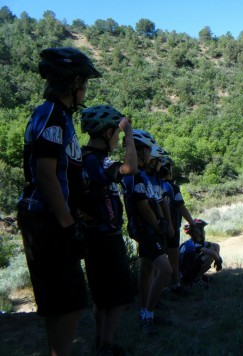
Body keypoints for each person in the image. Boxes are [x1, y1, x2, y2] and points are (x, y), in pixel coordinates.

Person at [16, 47, 101, 356]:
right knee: (71, 303)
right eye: (85, 83)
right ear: (73, 82)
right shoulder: (53, 115)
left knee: (57, 303)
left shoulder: (56, 116)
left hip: (47, 217)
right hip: (48, 219)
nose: (85, 90)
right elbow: (46, 174)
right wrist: (68, 224)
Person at [80, 105, 137, 355]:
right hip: (104, 236)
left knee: (101, 295)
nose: (117, 138)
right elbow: (130, 168)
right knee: (120, 294)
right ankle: (106, 344)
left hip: (93, 235)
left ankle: (100, 341)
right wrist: (130, 136)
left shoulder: (82, 157)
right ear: (107, 133)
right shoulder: (96, 160)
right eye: (115, 133)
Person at [121, 130, 172, 336]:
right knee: (165, 270)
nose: (152, 156)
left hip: (148, 229)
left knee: (146, 268)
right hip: (144, 229)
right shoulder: (137, 176)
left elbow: (156, 203)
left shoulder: (147, 177)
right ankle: (148, 315)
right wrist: (160, 226)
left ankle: (144, 309)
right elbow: (143, 206)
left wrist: (163, 221)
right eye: (149, 151)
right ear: (142, 152)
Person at [158, 156, 194, 296]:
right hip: (172, 226)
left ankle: (167, 286)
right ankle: (172, 286)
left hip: (157, 228)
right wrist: (192, 223)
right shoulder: (172, 187)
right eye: (170, 168)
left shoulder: (155, 184)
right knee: (173, 259)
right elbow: (181, 207)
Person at [179, 219, 223, 290]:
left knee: (212, 248)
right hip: (185, 274)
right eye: (202, 229)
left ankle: (198, 276)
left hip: (186, 270)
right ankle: (195, 279)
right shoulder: (193, 244)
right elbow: (212, 253)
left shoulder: (194, 242)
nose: (204, 231)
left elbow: (216, 245)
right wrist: (218, 261)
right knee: (210, 255)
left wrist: (217, 259)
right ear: (197, 232)